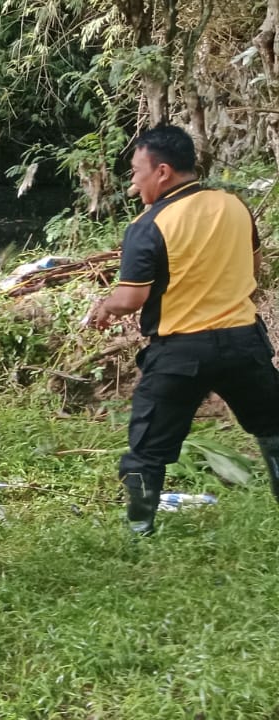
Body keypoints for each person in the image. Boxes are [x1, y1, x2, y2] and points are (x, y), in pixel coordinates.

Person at [84, 124, 279, 535]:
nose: (133, 182)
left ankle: (139, 532)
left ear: (163, 172)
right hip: (245, 342)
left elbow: (131, 299)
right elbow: (255, 272)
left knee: (147, 450)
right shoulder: (235, 206)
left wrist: (104, 308)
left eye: (137, 171)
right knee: (273, 427)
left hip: (181, 352)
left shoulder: (149, 225)